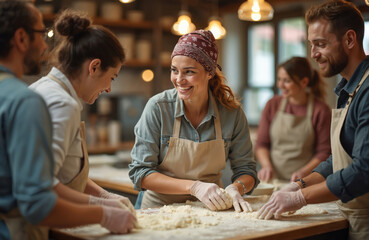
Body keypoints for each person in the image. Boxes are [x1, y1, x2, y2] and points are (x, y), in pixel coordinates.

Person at [0, 1, 136, 239]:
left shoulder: (41, 89)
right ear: (94, 67)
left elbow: (58, 175)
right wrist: (100, 211)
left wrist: (103, 197)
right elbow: (43, 191)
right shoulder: (61, 102)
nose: (108, 89)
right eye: (111, 77)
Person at [258, 1, 369, 239]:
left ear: (349, 40)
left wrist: (301, 198)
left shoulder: (368, 91)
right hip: (350, 213)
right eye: (310, 44)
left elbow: (364, 170)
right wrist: (300, 185)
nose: (313, 54)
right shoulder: (347, 90)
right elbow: (337, 160)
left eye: (320, 44)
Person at [129, 30, 258, 212]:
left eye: (189, 72)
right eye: (174, 71)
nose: (179, 80)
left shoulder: (232, 113)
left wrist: (236, 188)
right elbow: (140, 173)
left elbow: (247, 170)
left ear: (209, 73)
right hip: (159, 210)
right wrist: (195, 187)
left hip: (210, 210)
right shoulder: (158, 108)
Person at [255, 56, 331, 183]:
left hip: (305, 181)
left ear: (304, 82)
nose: (280, 85)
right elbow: (261, 144)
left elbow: (324, 152)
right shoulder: (272, 105)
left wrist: (304, 172)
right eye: (279, 79)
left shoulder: (321, 110)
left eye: (287, 81)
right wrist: (266, 166)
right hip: (274, 180)